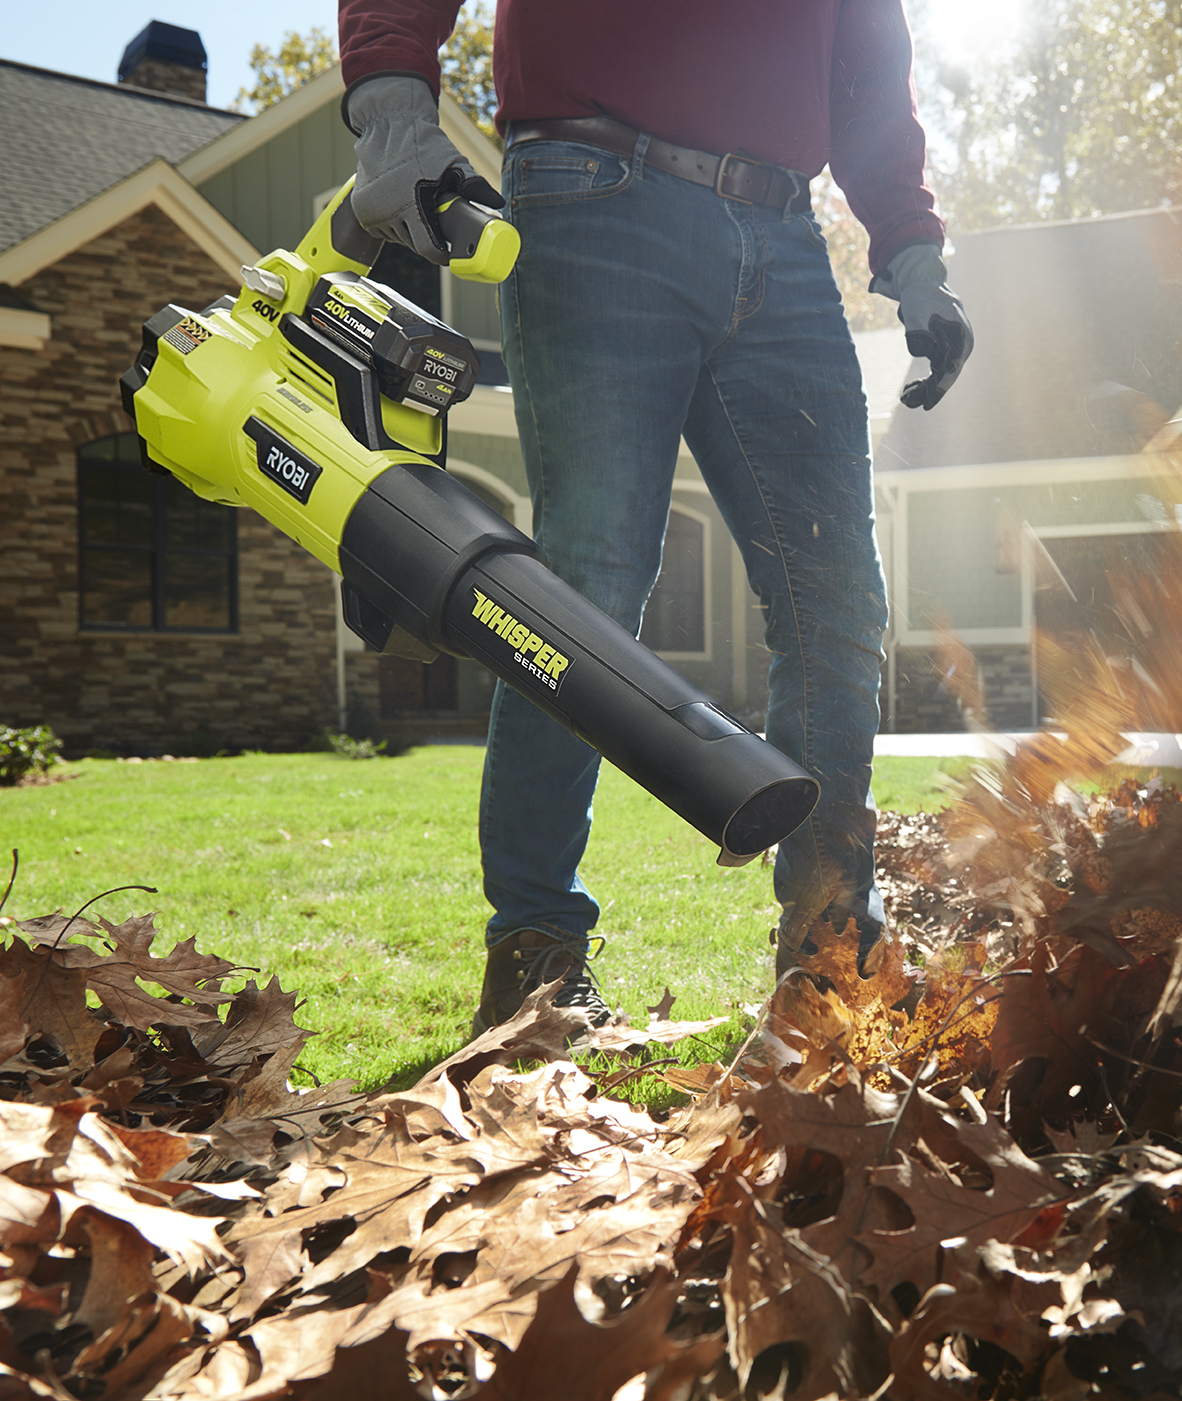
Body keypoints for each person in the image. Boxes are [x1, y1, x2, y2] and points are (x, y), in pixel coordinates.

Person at [336, 1, 973, 1033]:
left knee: (839, 596)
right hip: (591, 192)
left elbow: (870, 76)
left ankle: (831, 948)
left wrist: (915, 258)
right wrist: (398, 117)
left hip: (783, 232)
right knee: (585, 586)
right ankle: (537, 951)